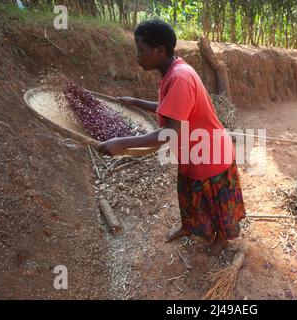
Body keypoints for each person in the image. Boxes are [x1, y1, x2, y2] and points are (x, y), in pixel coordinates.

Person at [96, 19, 245, 255]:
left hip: (210, 154)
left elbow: (169, 132)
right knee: (189, 195)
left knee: (215, 202)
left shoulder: (179, 78)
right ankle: (190, 227)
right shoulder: (173, 71)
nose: (137, 56)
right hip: (194, 152)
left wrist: (121, 143)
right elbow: (170, 108)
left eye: (140, 50)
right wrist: (134, 102)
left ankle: (222, 239)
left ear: (159, 51)